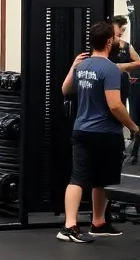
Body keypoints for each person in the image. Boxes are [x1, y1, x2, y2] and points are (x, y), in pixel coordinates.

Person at [58, 20, 138, 243]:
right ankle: (69, 227)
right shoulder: (110, 69)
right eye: (116, 37)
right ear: (109, 42)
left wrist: (73, 67)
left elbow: (65, 89)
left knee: (98, 180)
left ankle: (98, 223)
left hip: (82, 129)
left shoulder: (82, 65)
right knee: (82, 179)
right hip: (104, 132)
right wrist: (133, 127)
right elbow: (115, 105)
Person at [110, 16, 140, 147]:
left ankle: (120, 143)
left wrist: (121, 67)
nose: (121, 32)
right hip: (105, 83)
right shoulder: (104, 45)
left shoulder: (126, 46)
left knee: (119, 109)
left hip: (121, 83)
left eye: (123, 30)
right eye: (120, 28)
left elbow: (138, 62)